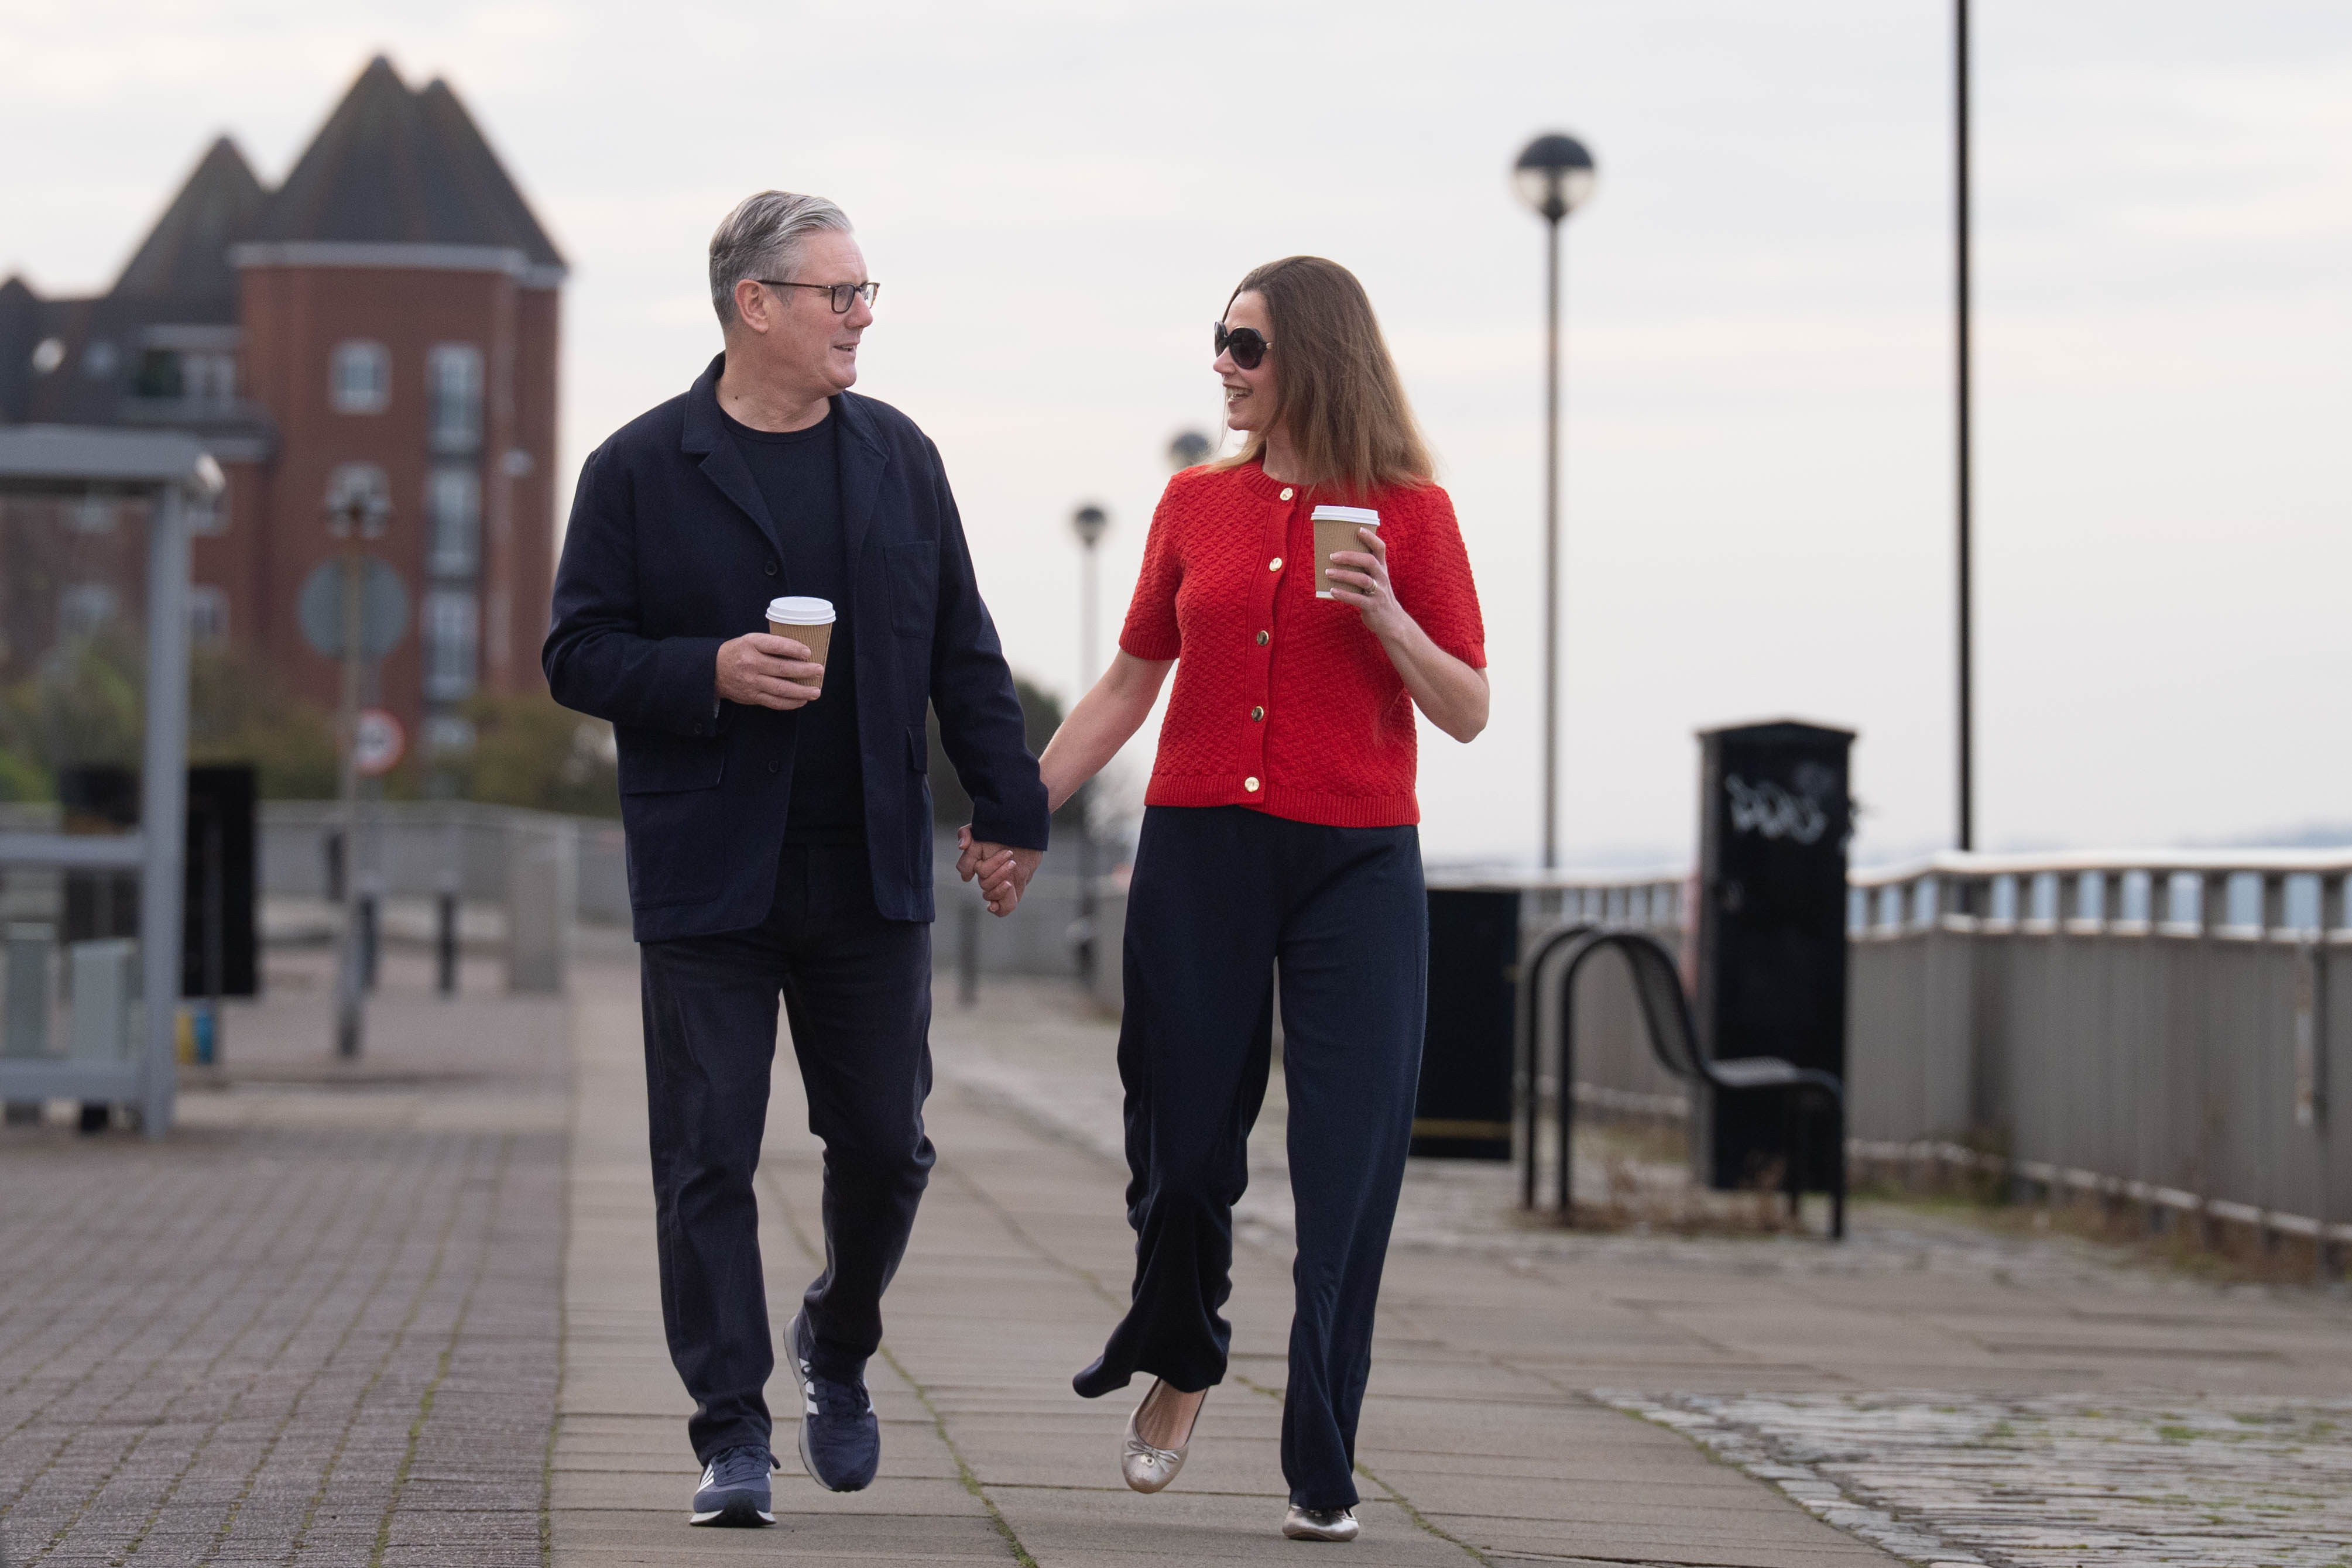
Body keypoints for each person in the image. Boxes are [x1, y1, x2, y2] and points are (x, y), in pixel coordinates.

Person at [544, 191, 1048, 1531]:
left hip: (870, 870)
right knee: (705, 1153)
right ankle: (730, 1429)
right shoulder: (639, 468)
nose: (861, 317)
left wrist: (1011, 807)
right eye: (839, 295)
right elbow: (574, 652)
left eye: (868, 293)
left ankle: (836, 1331)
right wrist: (704, 668)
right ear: (752, 303)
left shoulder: (898, 457)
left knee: (884, 1146)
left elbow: (963, 651)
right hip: (709, 872)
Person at [1039, 256, 1489, 1543]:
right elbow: (1128, 684)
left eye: (1245, 346)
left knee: (1343, 1165)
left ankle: (1321, 1453)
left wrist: (1389, 616)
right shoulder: (1192, 503)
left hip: (1357, 860)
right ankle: (1181, 1346)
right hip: (1200, 849)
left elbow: (1463, 706)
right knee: (1183, 1145)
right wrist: (1022, 804)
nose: (1224, 368)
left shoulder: (1413, 512)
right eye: (1219, 343)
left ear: (1313, 356)